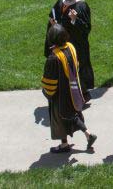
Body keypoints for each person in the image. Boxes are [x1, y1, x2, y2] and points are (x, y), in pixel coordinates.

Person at [42, 24, 97, 153]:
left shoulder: (53, 58)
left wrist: (47, 92)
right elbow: (76, 66)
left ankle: (64, 145)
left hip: (59, 95)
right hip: (73, 90)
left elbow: (49, 81)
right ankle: (88, 134)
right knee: (73, 115)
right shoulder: (71, 47)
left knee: (60, 119)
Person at [45, 0, 94, 102]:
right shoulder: (60, 2)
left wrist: (74, 20)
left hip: (76, 46)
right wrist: (53, 24)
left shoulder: (81, 6)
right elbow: (53, 17)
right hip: (60, 46)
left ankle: (82, 96)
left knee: (77, 72)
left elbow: (86, 28)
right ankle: (68, 96)